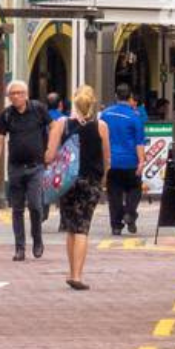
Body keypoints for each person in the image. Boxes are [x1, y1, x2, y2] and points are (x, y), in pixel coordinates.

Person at [47, 87, 110, 290]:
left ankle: (71, 271)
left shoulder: (62, 124)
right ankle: (77, 275)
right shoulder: (101, 126)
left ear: (74, 102)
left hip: (67, 181)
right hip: (91, 181)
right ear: (93, 103)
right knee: (82, 227)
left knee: (71, 228)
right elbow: (106, 158)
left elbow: (50, 154)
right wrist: (104, 179)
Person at [0, 79, 52, 261]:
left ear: (26, 95)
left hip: (36, 167)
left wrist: (50, 149)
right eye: (13, 94)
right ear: (9, 97)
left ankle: (37, 239)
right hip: (15, 168)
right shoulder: (6, 115)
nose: (16, 96)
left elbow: (54, 126)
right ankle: (20, 247)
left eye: (20, 93)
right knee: (17, 209)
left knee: (35, 205)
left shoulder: (38, 109)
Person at [101, 84, 148, 236]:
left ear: (116, 96)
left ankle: (116, 225)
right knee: (135, 188)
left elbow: (100, 138)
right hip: (130, 161)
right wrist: (141, 161)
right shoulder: (135, 116)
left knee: (114, 193)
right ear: (130, 97)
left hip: (111, 161)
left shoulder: (105, 114)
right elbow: (139, 142)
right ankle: (130, 213)